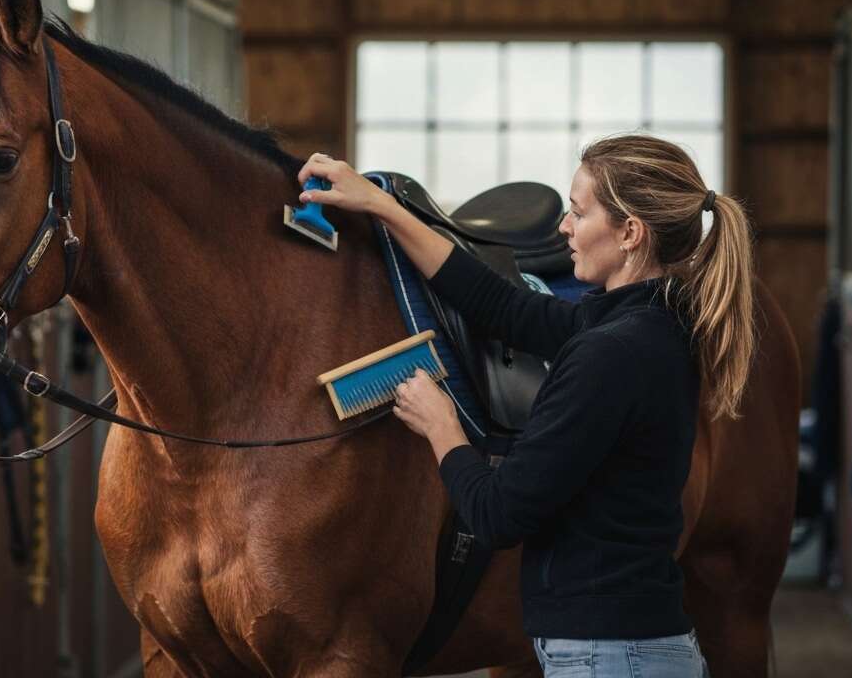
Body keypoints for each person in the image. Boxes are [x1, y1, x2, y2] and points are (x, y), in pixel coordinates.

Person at [297, 134, 755, 677]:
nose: (564, 227)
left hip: (607, 659)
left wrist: (441, 425)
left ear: (630, 232)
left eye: (578, 213)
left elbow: (498, 515)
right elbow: (502, 307)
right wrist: (381, 205)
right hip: (630, 647)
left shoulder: (610, 355)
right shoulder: (653, 325)